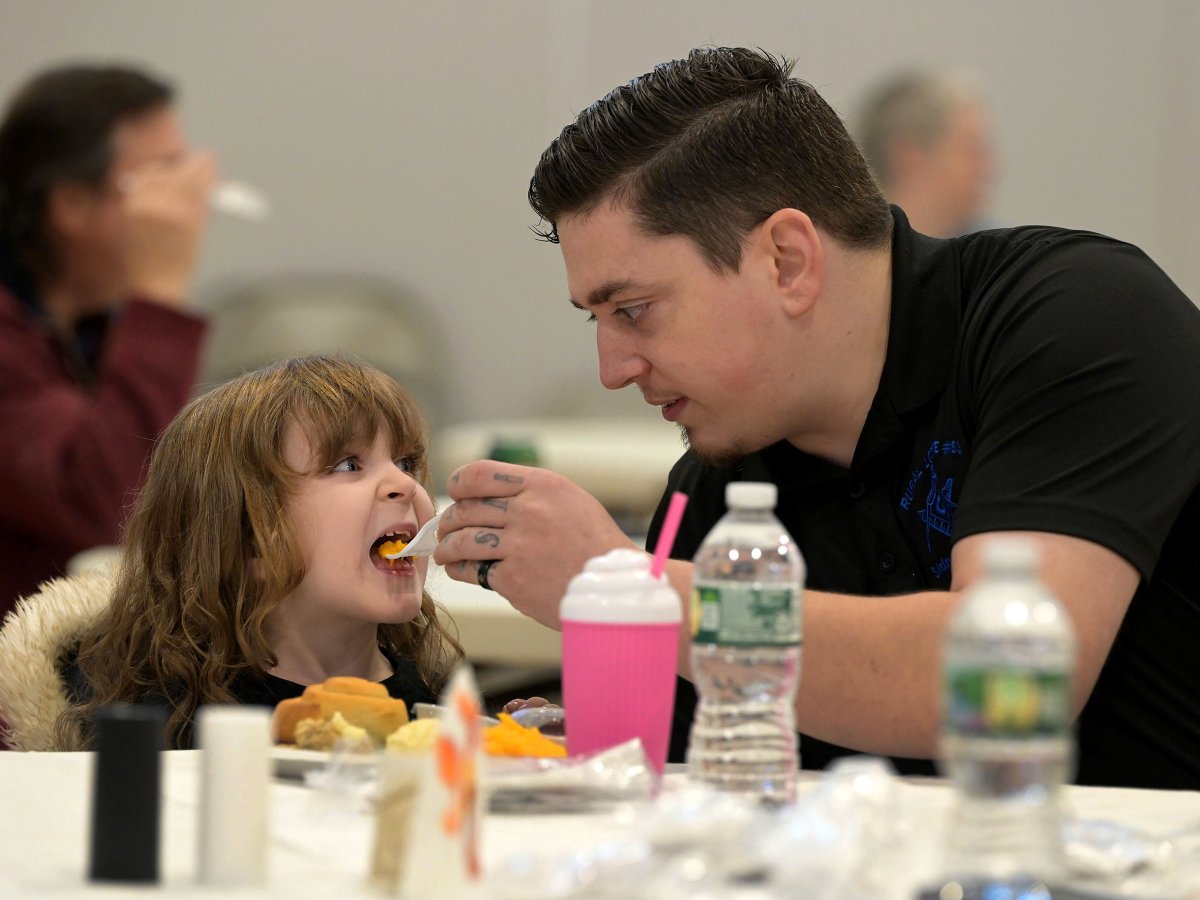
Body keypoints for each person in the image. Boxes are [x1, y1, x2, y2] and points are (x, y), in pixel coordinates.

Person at [433, 47, 1200, 789]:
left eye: (633, 310)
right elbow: (688, 781)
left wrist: (628, 588)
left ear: (788, 261)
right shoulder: (717, 488)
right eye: (594, 319)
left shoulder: (1077, 318)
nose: (613, 368)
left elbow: (1013, 684)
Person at [0, 355, 462, 751]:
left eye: (405, 462)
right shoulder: (168, 723)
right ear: (249, 539)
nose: (404, 485)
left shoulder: (435, 703)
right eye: (348, 465)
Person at [0, 63, 218, 616]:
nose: (189, 202)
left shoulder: (85, 323)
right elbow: (104, 504)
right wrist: (159, 296)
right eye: (161, 180)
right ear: (71, 204)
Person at [855, 69, 996, 237]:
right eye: (970, 149)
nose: (987, 167)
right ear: (908, 157)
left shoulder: (998, 247)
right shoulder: (844, 246)